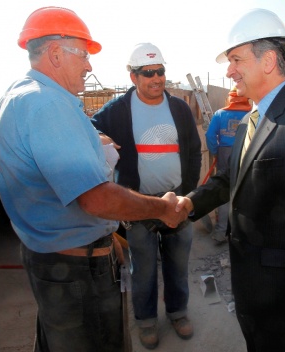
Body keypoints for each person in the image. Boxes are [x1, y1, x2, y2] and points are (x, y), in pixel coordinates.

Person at [0, 9, 187, 352]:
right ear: (54, 54)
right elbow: (96, 199)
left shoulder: (21, 95)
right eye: (83, 55)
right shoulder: (47, 105)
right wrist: (162, 208)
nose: (89, 66)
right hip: (76, 273)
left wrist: (92, 141)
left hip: (50, 260)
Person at [176, 8, 285, 351]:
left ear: (269, 60)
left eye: (236, 60)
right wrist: (189, 203)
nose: (229, 71)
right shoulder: (250, 121)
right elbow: (231, 179)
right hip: (254, 291)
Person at [91, 42, 201, 349]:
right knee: (143, 268)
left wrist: (189, 194)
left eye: (160, 71)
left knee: (178, 263)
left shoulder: (178, 107)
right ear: (133, 77)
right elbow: (85, 127)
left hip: (177, 202)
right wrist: (97, 136)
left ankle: (178, 313)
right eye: (147, 73)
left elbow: (193, 151)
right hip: (138, 205)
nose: (156, 78)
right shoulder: (117, 110)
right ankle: (146, 321)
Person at [204, 87, 251, 243]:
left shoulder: (220, 114)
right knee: (245, 189)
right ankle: (243, 232)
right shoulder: (252, 113)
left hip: (225, 152)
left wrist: (216, 151)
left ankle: (221, 232)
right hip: (247, 150)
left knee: (224, 189)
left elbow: (210, 135)